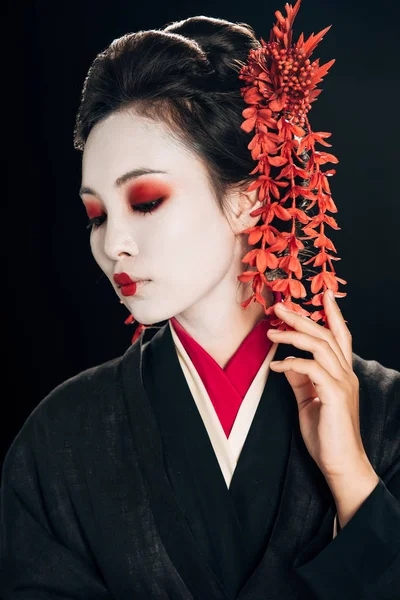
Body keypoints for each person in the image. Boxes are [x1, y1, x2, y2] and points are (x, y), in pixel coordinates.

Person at [1, 7, 399, 600]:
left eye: (146, 201)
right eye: (96, 215)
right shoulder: (59, 440)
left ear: (247, 202)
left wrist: (351, 480)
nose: (113, 244)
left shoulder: (385, 420)